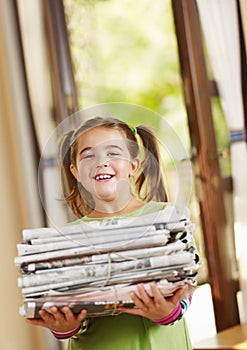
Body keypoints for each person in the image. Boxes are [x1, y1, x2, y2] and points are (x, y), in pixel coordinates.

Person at [27, 116, 194, 349]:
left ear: (133, 166)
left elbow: (187, 286)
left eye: (113, 153)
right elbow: (64, 304)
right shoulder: (65, 239)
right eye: (88, 155)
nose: (101, 162)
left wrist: (168, 311)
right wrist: (64, 327)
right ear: (75, 172)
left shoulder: (168, 217)